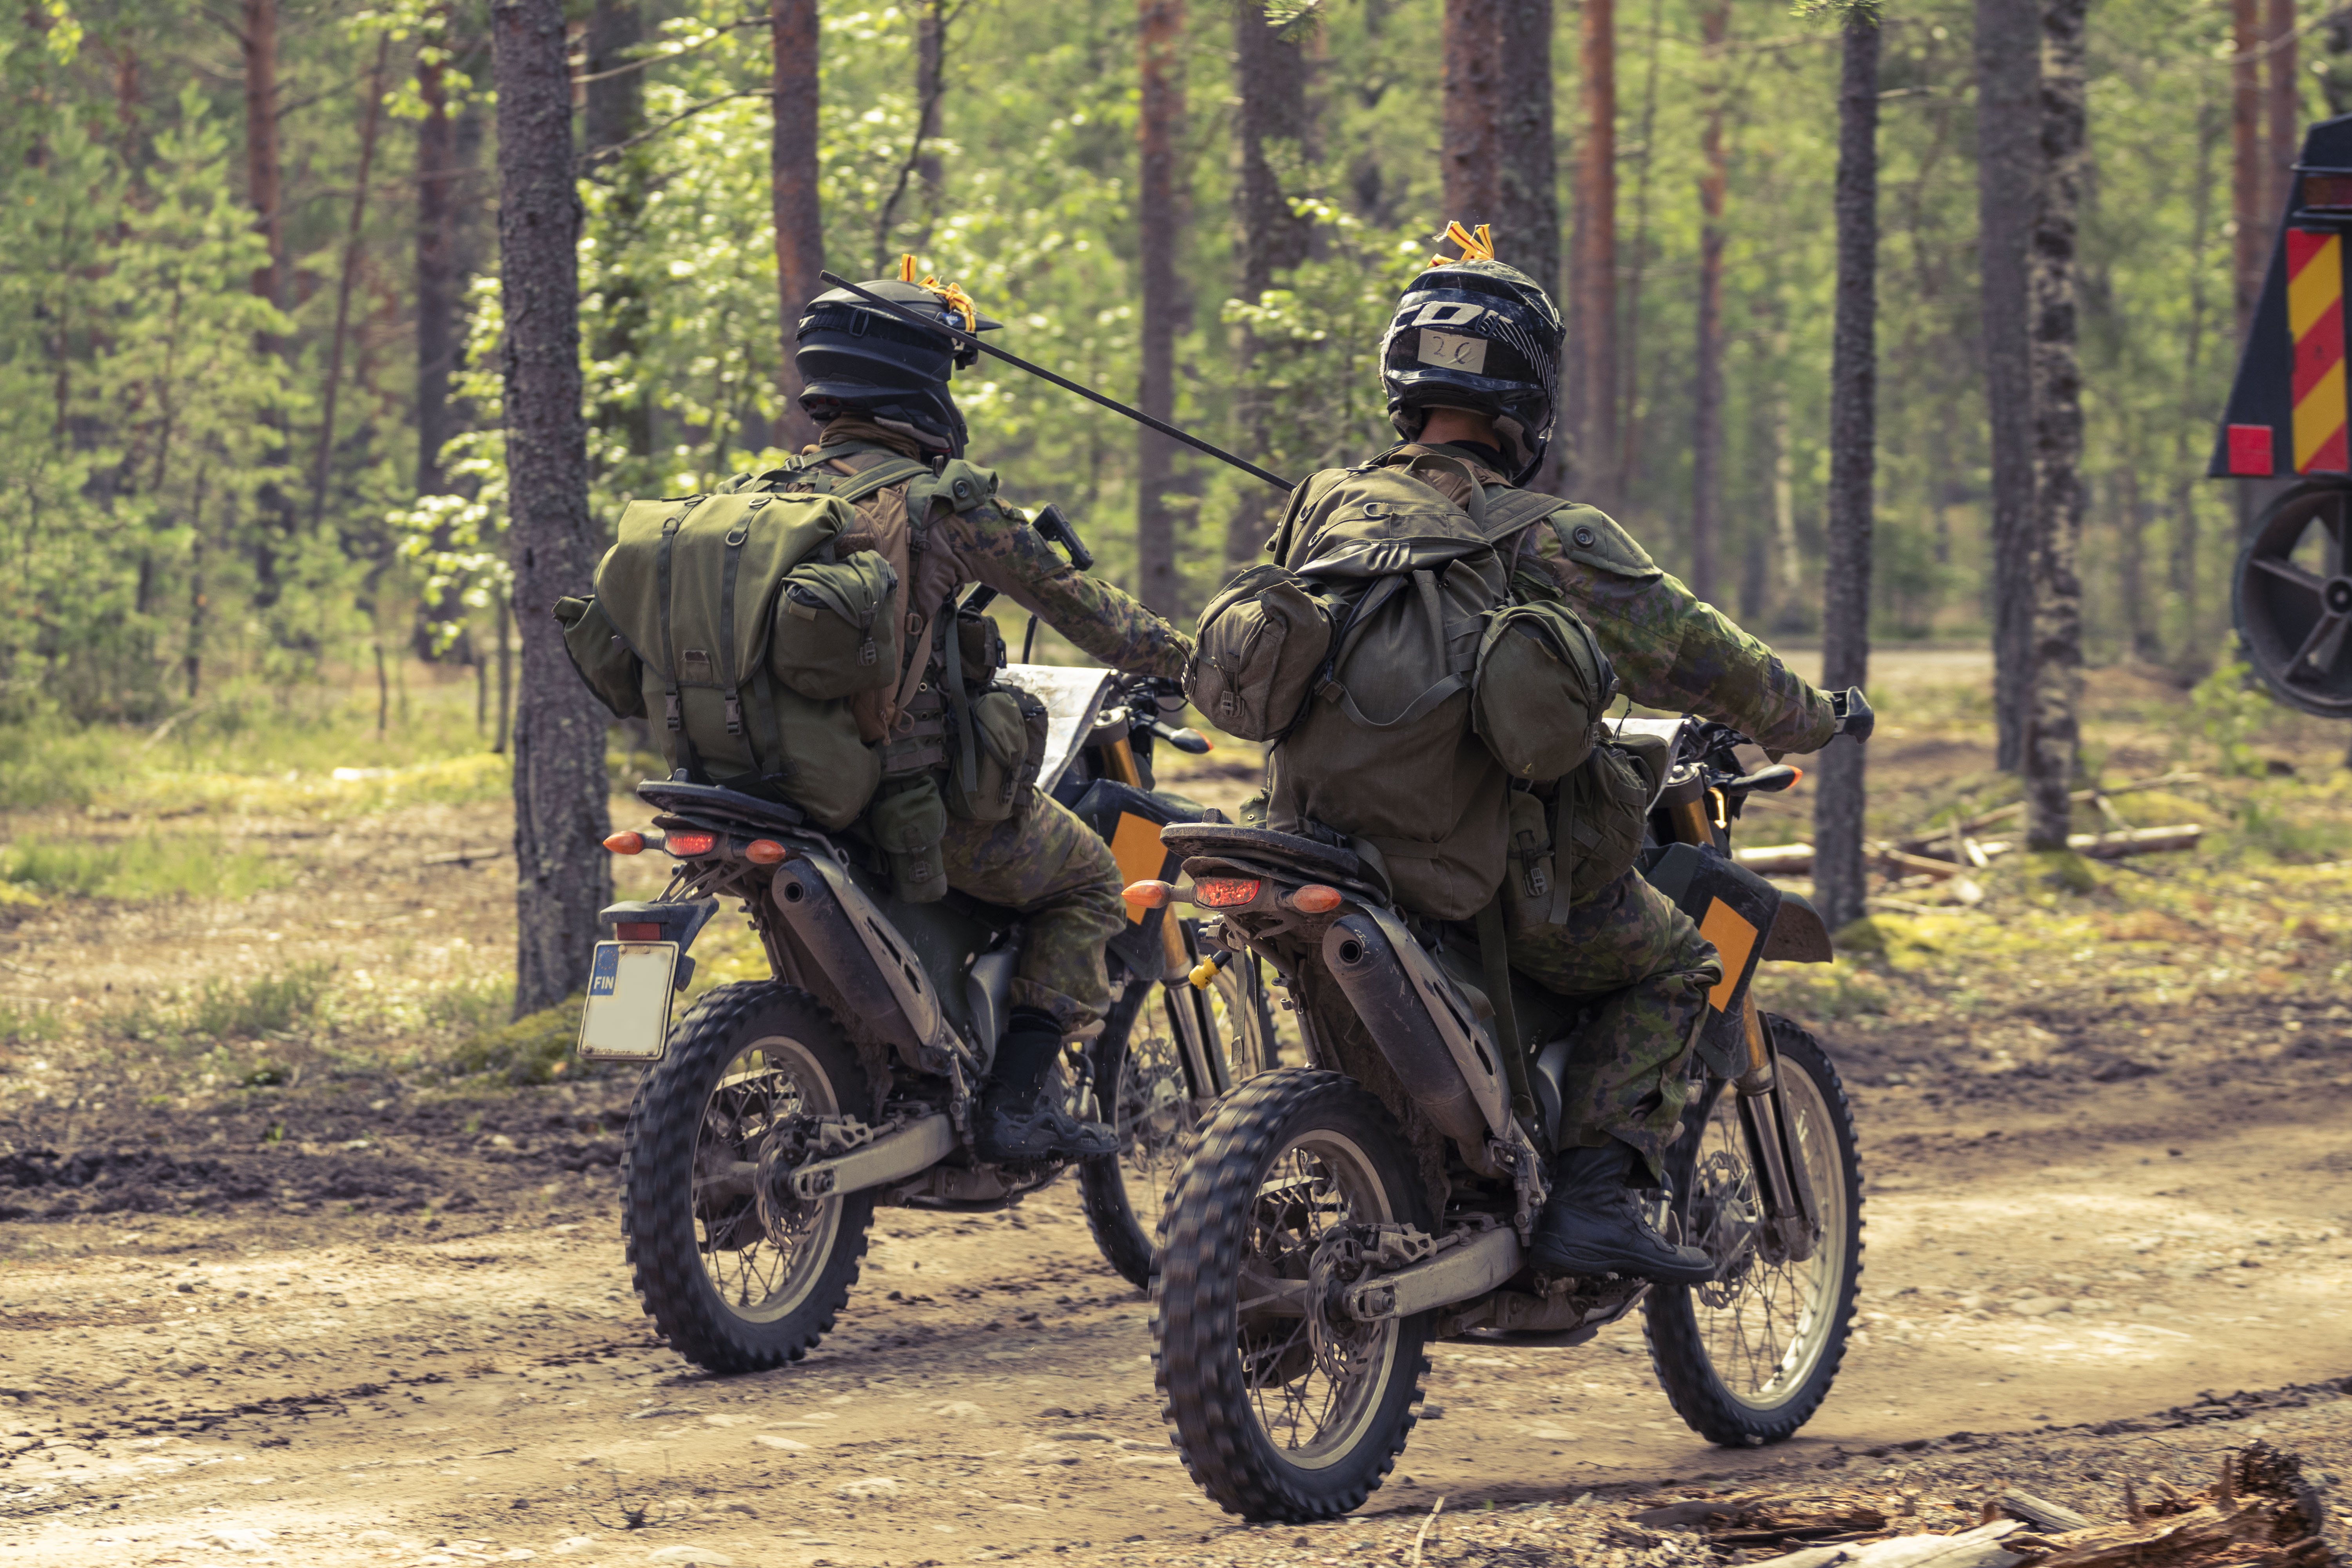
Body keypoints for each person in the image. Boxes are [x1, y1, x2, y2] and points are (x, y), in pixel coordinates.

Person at [1275, 228, 1852, 1283]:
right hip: (1481, 877)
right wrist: (1810, 716)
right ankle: (1594, 1197)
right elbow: (1691, 649)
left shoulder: (1323, 503)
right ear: (1528, 403)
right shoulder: (1553, 535)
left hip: (1314, 846)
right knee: (1682, 961)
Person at [745, 263, 1194, 1163]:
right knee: (1090, 879)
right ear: (921, 384)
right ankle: (1018, 1103)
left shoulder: (767, 496)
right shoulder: (944, 505)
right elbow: (1085, 608)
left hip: (777, 790)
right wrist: (1193, 658)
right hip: (909, 801)